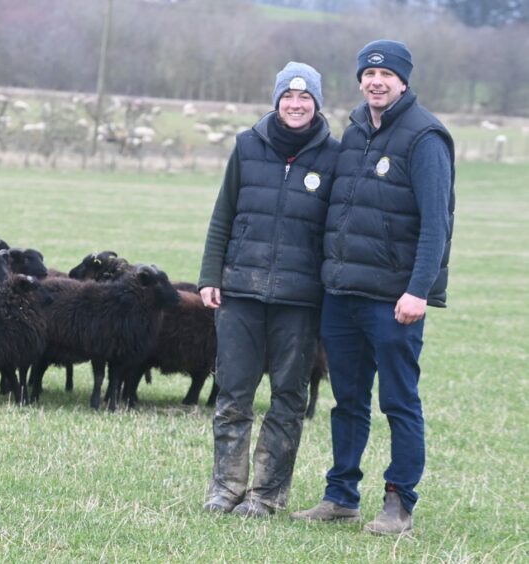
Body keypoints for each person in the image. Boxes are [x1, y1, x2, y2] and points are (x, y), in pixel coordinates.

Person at [290, 40, 455, 535]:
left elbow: (436, 224)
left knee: (399, 402)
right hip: (343, 296)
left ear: (404, 81)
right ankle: (340, 494)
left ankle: (399, 503)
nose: (376, 82)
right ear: (360, 79)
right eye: (368, 74)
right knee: (349, 401)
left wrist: (419, 290)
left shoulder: (425, 136)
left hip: (394, 300)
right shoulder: (357, 128)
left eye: (386, 75)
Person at [199, 62, 339, 518]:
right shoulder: (246, 146)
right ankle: (226, 486)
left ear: (317, 104)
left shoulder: (334, 157)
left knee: (288, 398)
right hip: (240, 290)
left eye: (305, 99)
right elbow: (223, 214)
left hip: (300, 300)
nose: (295, 106)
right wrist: (210, 276)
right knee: (233, 393)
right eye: (288, 98)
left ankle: (267, 493)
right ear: (276, 101)